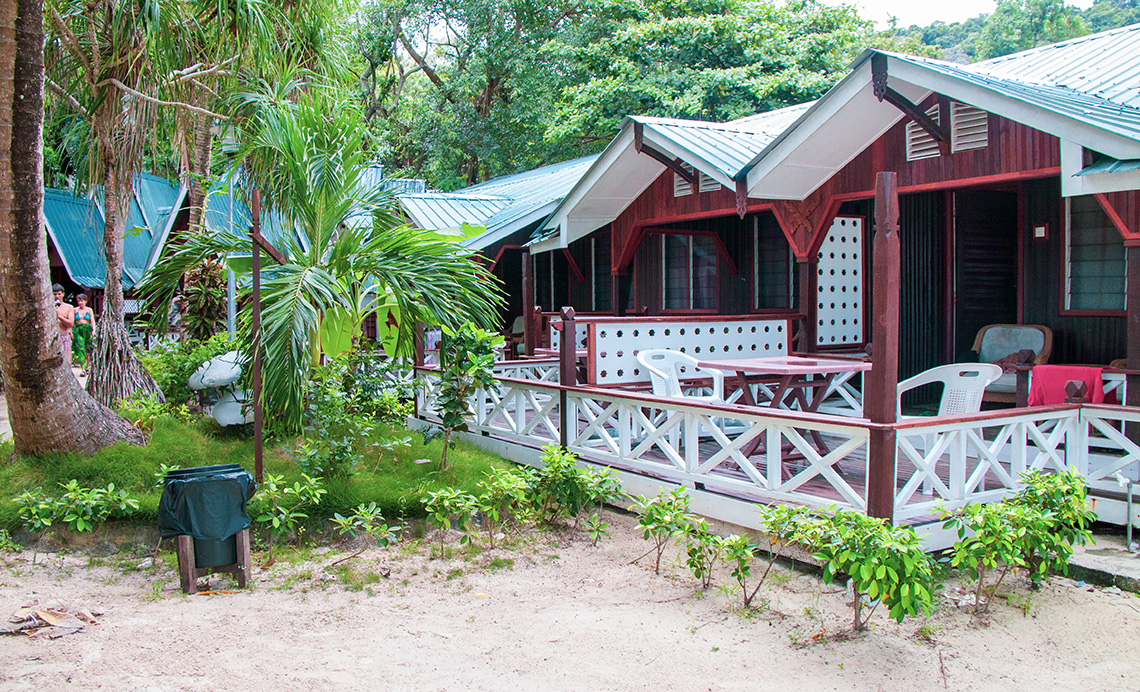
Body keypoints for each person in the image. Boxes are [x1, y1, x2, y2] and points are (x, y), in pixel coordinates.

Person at [53, 283, 75, 366]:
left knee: (66, 362)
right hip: (52, 337)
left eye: (59, 294)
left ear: (63, 294)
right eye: (55, 294)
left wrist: (59, 316)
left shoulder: (68, 307)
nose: (57, 296)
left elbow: (70, 324)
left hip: (64, 335)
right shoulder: (48, 307)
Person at [73, 293, 95, 372]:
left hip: (87, 330)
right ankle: (82, 369)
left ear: (85, 301)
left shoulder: (89, 310)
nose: (80, 303)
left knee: (87, 350)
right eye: (78, 301)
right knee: (80, 348)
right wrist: (71, 332)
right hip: (78, 330)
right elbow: (72, 322)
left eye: (81, 301)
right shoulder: (75, 310)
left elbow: (92, 320)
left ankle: (87, 367)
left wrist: (93, 330)